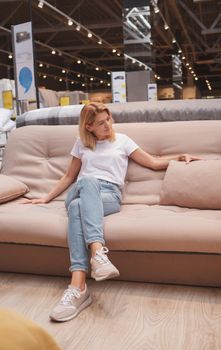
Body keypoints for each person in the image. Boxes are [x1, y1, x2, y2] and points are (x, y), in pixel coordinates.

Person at [25, 102, 200, 322]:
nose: (107, 125)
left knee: (78, 207)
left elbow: (154, 163)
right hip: (81, 189)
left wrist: (179, 157)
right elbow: (69, 177)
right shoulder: (81, 144)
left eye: (108, 119)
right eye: (101, 122)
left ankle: (78, 287)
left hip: (109, 196)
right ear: (88, 127)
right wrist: (45, 197)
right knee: (86, 183)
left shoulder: (123, 141)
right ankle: (98, 254)